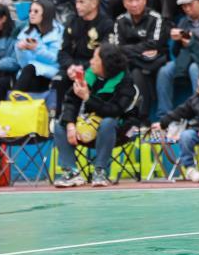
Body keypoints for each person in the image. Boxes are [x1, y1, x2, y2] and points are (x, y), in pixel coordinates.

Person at [52, 44, 138, 188]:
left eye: (95, 58)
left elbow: (114, 111)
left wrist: (87, 97)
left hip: (120, 130)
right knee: (60, 125)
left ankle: (100, 171)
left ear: (106, 63)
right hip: (89, 124)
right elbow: (71, 101)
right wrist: (70, 124)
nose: (91, 61)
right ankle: (71, 172)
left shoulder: (126, 82)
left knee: (108, 122)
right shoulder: (88, 74)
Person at [113, 0, 170, 125]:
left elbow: (154, 44)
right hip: (135, 63)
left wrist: (128, 50)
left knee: (138, 70)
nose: (134, 4)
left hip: (153, 63)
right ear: (124, 3)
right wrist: (140, 51)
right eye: (130, 0)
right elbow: (117, 48)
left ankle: (143, 118)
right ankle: (136, 118)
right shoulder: (120, 21)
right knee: (135, 72)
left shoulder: (155, 18)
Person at [57, 0, 114, 105]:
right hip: (72, 66)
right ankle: (56, 114)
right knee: (58, 81)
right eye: (76, 2)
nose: (77, 6)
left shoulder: (107, 25)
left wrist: (81, 68)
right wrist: (71, 66)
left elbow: (104, 56)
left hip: (93, 68)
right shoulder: (72, 22)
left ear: (94, 4)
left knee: (81, 86)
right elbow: (63, 52)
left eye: (81, 2)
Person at [14, 0, 64, 93]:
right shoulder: (27, 31)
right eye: (30, 11)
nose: (31, 14)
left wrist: (36, 49)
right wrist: (21, 50)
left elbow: (56, 60)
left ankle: (14, 99)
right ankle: (16, 100)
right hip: (30, 73)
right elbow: (23, 64)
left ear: (46, 13)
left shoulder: (59, 32)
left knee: (30, 70)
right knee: (29, 73)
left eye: (36, 11)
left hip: (51, 72)